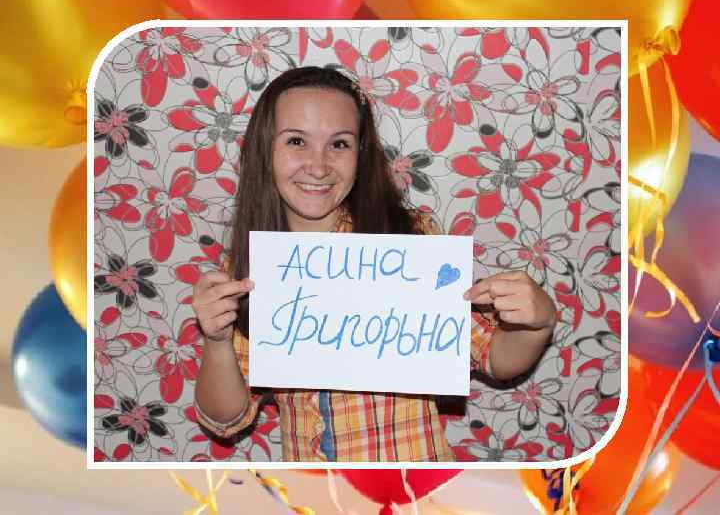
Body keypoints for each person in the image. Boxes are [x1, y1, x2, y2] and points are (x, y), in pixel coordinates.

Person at [192, 66, 556, 462]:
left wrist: (537, 324)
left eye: (339, 144)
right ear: (264, 151)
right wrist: (217, 341)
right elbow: (226, 419)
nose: (318, 166)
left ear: (360, 154)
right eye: (297, 141)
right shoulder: (249, 267)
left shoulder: (408, 242)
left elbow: (495, 356)